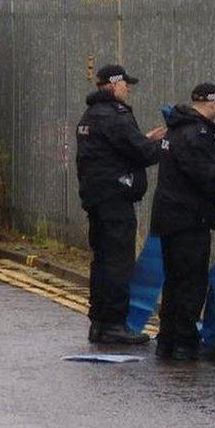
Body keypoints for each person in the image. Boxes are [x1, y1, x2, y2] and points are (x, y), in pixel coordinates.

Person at [150, 83, 215, 360]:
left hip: (170, 216)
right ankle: (184, 341)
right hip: (189, 218)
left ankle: (167, 339)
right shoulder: (199, 133)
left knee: (174, 281)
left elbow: (197, 169)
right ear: (213, 104)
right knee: (191, 282)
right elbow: (206, 179)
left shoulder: (178, 127)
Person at [76, 64, 165, 344]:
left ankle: (100, 323)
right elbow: (139, 152)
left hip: (97, 197)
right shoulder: (116, 115)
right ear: (114, 85)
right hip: (115, 198)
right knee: (118, 262)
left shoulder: (90, 115)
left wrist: (143, 140)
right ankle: (115, 324)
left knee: (101, 261)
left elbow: (116, 149)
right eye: (126, 84)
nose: (128, 89)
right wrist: (165, 144)